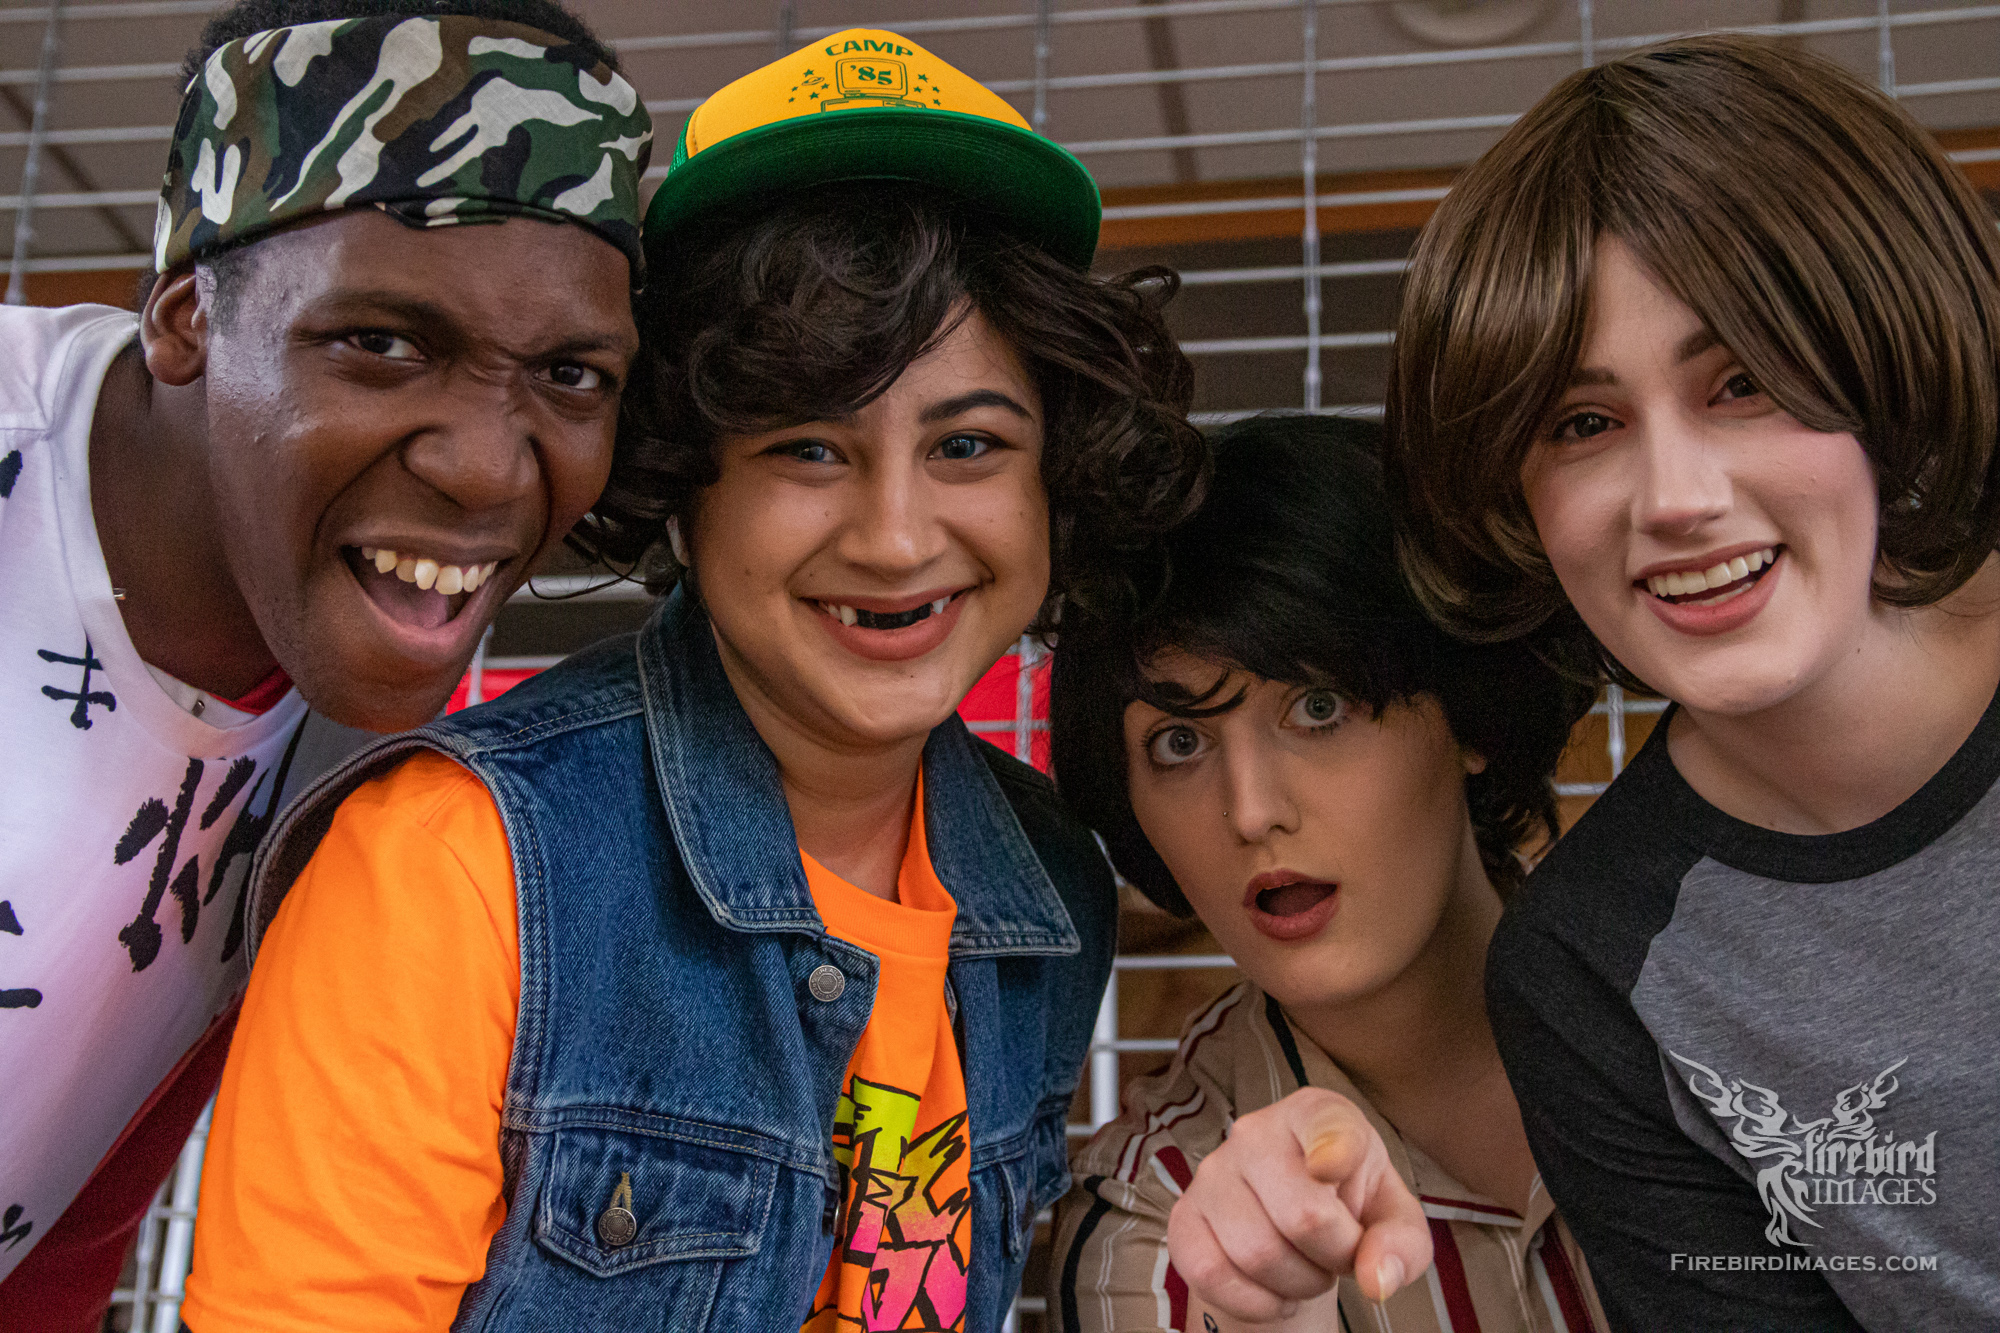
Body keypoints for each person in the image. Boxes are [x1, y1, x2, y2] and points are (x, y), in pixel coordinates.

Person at [180, 29, 1207, 1332]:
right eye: (806, 448)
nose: (897, 538)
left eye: (966, 446)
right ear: (682, 482)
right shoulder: (452, 860)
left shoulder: (1051, 883)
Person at [0, 0, 649, 1325]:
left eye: (570, 374)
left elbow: (74, 1211)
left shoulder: (373, 729)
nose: (487, 468)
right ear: (184, 314)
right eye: (383, 343)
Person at [1385, 34, 2000, 1332]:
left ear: (1884, 370)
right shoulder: (1589, 969)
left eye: (1743, 384)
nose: (1674, 498)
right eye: (1583, 424)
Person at [1044, 414, 1599, 1332]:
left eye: (1318, 706)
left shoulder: (1708, 1032)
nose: (1251, 810)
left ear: (1466, 716)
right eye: (1179, 743)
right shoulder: (1155, 1218)